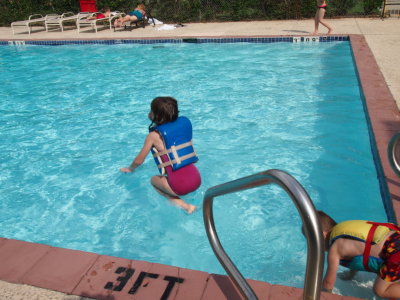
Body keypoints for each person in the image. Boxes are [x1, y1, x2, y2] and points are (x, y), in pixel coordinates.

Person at [120, 97, 201, 214]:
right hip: (196, 178)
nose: (149, 113)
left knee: (154, 180)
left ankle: (184, 205)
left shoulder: (153, 136)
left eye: (151, 111)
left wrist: (130, 169)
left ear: (156, 116)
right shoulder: (182, 127)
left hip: (179, 186)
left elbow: (139, 160)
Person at [317, 210, 400, 299]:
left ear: (322, 235)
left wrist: (322, 295)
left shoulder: (334, 249)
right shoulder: (344, 231)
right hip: (396, 238)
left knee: (380, 291)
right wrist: (350, 274)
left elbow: (328, 283)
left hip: (395, 251)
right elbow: (359, 252)